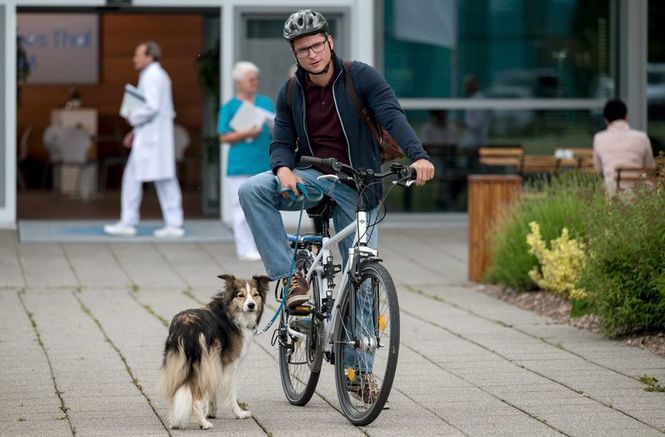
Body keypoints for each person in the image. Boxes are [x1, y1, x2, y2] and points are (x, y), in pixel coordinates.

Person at [238, 9, 434, 402]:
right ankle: (290, 275)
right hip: (314, 179)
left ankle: (357, 375)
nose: (311, 54)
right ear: (294, 54)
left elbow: (392, 116)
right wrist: (281, 169)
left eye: (315, 45)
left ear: (329, 42)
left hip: (359, 187)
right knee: (252, 190)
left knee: (362, 273)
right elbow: (281, 138)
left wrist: (419, 155)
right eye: (302, 49)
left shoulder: (361, 77)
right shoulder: (292, 91)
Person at [104, 41, 184, 238]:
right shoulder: (155, 75)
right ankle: (172, 223)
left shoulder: (153, 76)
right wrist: (134, 130)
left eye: (138, 55)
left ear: (150, 57)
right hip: (152, 135)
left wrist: (132, 116)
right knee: (161, 178)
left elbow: (151, 107)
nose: (134, 59)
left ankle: (129, 222)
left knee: (141, 178)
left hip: (153, 138)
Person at [218, 61, 274, 261]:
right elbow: (223, 136)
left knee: (264, 208)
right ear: (239, 82)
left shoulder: (265, 103)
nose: (254, 83)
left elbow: (278, 127)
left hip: (263, 163)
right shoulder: (230, 107)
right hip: (240, 165)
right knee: (239, 208)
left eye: (256, 79)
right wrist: (245, 133)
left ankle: (263, 247)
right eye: (250, 79)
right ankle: (244, 248)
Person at [593, 99, 656, 193]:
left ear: (606, 120)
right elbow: (650, 167)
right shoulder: (642, 137)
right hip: (640, 194)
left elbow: (598, 170)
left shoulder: (599, 138)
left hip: (612, 191)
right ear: (626, 117)